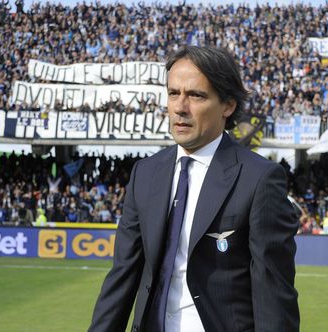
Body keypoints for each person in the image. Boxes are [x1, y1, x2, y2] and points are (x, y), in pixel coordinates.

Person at [88, 46, 299, 332]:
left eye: (196, 96)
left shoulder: (260, 179)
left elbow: (273, 293)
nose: (179, 107)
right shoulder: (145, 173)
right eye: (173, 93)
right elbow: (122, 276)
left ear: (228, 105)